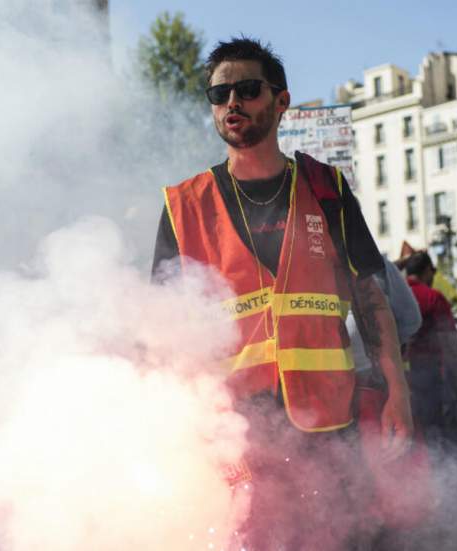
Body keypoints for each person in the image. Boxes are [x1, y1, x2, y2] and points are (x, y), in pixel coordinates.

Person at [152, 37, 413, 549]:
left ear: (281, 100)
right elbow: (165, 333)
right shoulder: (183, 205)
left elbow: (370, 296)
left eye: (247, 90)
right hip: (237, 438)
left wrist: (398, 395)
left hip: (329, 424)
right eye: (219, 93)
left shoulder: (327, 189)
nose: (232, 103)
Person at [403, 251, 457, 440]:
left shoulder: (393, 297)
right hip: (430, 375)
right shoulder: (433, 297)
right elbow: (449, 343)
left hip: (397, 377)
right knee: (435, 433)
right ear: (427, 270)